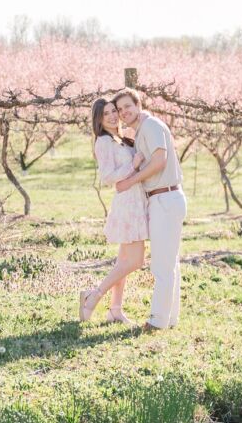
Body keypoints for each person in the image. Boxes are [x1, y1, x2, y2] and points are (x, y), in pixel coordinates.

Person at [110, 88, 186, 332]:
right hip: (163, 198)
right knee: (169, 262)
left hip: (165, 196)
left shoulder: (151, 126)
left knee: (162, 266)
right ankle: (168, 318)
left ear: (138, 104)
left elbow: (159, 161)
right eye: (119, 110)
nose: (123, 113)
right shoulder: (144, 129)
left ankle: (156, 321)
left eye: (127, 106)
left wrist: (131, 181)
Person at [79, 98, 148, 324]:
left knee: (123, 262)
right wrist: (133, 165)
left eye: (113, 111)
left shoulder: (121, 138)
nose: (111, 116)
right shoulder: (103, 141)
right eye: (105, 113)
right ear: (98, 119)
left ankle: (115, 310)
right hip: (127, 204)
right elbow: (108, 177)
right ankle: (93, 295)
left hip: (136, 200)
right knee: (136, 261)